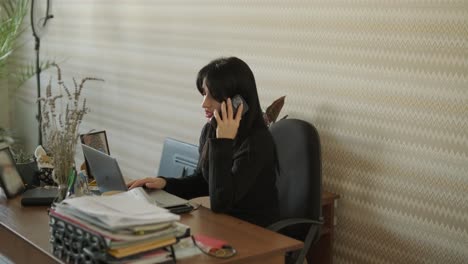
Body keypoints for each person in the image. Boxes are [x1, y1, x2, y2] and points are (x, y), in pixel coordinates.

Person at [127, 57, 279, 227]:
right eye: (204, 93)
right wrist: (165, 183)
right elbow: (203, 181)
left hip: (256, 233)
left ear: (238, 102)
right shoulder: (211, 130)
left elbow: (221, 202)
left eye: (212, 96)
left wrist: (223, 142)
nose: (204, 103)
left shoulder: (257, 142)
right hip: (225, 225)